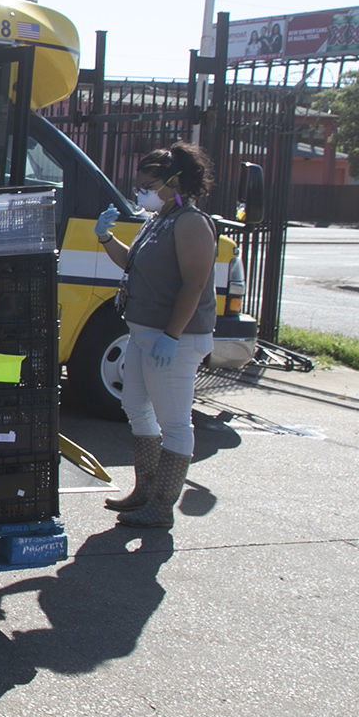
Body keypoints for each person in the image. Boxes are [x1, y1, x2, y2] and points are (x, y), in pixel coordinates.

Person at [90, 142, 218, 529]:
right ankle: (144, 490)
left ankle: (161, 506)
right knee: (135, 407)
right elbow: (133, 263)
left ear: (175, 181)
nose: (140, 190)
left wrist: (172, 336)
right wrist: (106, 238)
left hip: (172, 340)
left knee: (175, 422)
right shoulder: (160, 218)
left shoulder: (191, 222)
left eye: (148, 183)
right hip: (143, 334)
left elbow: (194, 285)